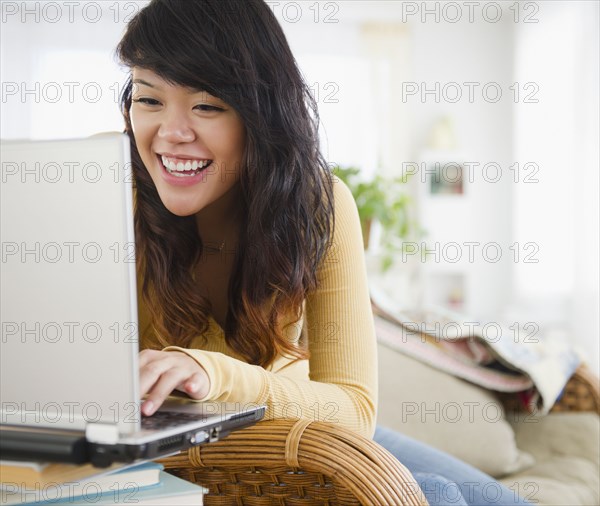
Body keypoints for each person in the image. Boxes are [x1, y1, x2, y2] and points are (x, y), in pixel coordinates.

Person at [116, 1, 530, 504]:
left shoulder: (317, 205)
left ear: (261, 115)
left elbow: (354, 409)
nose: (172, 133)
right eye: (149, 99)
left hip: (296, 416)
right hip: (185, 444)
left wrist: (212, 375)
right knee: (438, 496)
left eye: (207, 105)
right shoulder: (104, 187)